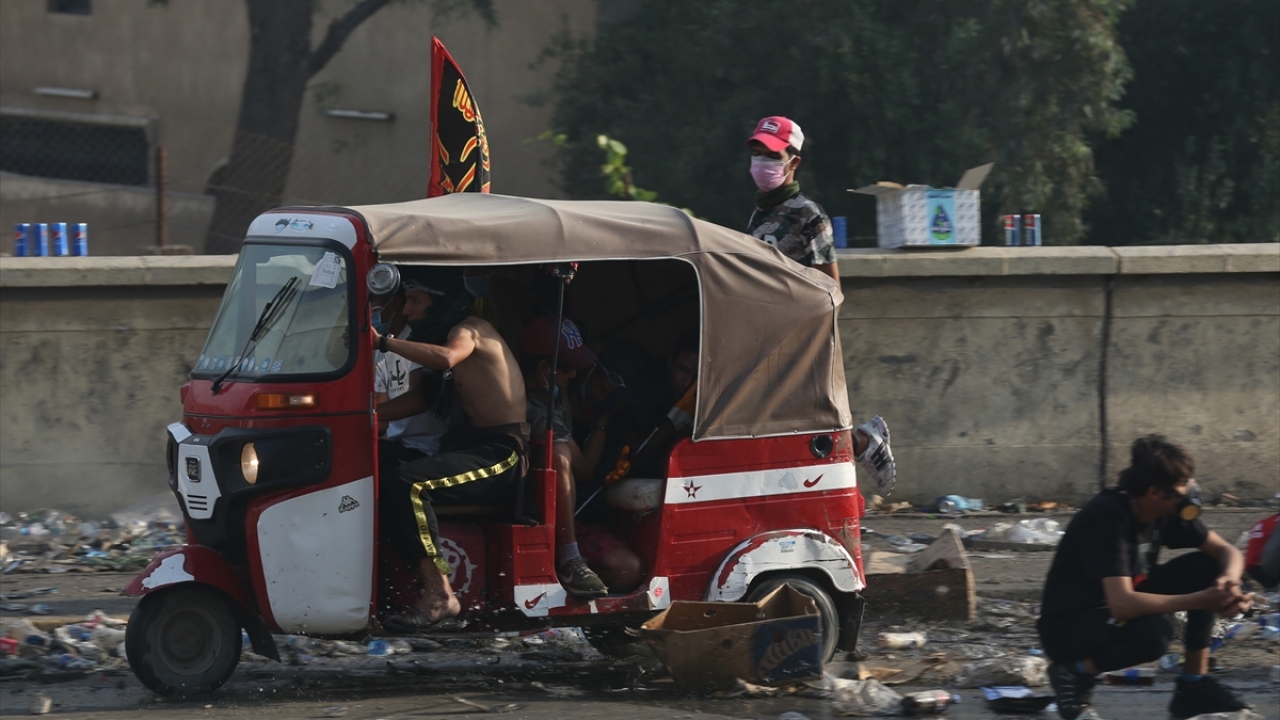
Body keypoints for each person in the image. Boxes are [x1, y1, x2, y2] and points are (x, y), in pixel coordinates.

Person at [1036, 435, 1254, 720]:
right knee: (1153, 635)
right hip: (1070, 626)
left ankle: (1194, 685)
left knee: (1207, 567)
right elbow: (1122, 604)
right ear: (1155, 492)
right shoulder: (1109, 517)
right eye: (1181, 486)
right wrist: (1202, 600)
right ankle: (1074, 673)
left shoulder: (1164, 509)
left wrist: (1229, 581)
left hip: (1114, 610)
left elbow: (1226, 551)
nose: (1188, 492)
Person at [374, 267, 529, 630]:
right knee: (379, 472)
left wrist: (383, 341)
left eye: (416, 301)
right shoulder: (444, 332)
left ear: (442, 303)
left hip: (501, 454)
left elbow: (446, 358)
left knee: (408, 483)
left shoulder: (469, 329)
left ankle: (440, 594)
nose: (408, 311)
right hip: (469, 446)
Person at [522, 316, 646, 595]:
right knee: (561, 452)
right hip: (540, 516)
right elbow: (586, 470)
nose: (575, 376)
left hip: (572, 517)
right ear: (544, 369)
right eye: (567, 369)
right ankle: (569, 559)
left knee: (628, 569)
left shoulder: (555, 393)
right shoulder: (538, 411)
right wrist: (604, 420)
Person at [745, 116, 839, 281]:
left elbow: (830, 289)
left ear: (794, 162)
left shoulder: (808, 215)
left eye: (773, 156)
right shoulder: (760, 210)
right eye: (756, 154)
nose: (762, 161)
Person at [372, 287, 448, 473]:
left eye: (373, 308)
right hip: (399, 444)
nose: (369, 316)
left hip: (426, 448)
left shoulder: (417, 340)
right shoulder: (378, 353)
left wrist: (360, 415)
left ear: (395, 303)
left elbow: (420, 400)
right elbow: (380, 425)